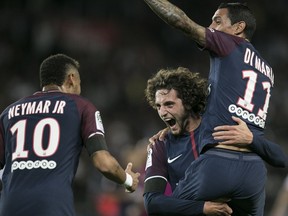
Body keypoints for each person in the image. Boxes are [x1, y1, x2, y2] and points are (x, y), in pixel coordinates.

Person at [143, 1, 288, 215]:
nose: (211, 26)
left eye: (217, 21)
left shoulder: (228, 45)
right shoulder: (267, 70)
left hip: (218, 163)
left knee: (169, 209)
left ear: (238, 27)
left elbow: (181, 21)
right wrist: (251, 140)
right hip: (254, 173)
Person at [0, 54, 140, 216]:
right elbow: (104, 163)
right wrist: (128, 180)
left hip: (9, 206)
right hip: (52, 205)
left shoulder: (9, 112)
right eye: (79, 82)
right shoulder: (80, 106)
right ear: (71, 79)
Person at [143, 67, 287, 216]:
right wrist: (202, 208)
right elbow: (152, 203)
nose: (162, 112)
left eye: (169, 104)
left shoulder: (220, 129)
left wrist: (252, 140)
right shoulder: (161, 145)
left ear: (187, 101)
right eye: (158, 106)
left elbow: (281, 158)